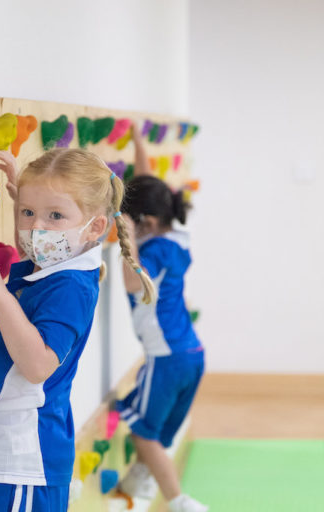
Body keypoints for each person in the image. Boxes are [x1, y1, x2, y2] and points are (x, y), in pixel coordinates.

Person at [0, 148, 155, 511]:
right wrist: (20, 196)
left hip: (24, 455)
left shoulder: (69, 287)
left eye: (55, 215)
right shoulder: (59, 266)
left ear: (95, 227)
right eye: (28, 213)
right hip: (16, 450)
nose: (37, 227)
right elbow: (32, 253)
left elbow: (38, 365)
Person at [116, 123, 208, 512]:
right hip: (191, 353)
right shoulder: (176, 237)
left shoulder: (151, 252)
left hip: (165, 357)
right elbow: (146, 185)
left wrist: (126, 238)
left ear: (146, 224)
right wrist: (138, 144)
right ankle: (141, 478)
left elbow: (134, 284)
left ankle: (181, 502)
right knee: (143, 415)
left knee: (143, 434)